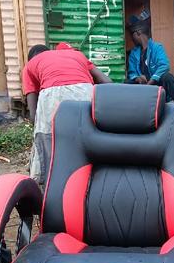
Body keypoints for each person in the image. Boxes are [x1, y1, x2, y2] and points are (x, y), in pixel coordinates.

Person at [22, 42, 110, 184]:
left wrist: (39, 125)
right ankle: (93, 177)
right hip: (84, 91)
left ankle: (50, 184)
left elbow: (33, 115)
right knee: (87, 136)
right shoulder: (76, 55)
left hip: (52, 94)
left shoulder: (30, 66)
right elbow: (106, 81)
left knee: (47, 140)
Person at [127, 24, 174, 103]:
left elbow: (164, 66)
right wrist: (138, 78)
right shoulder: (134, 53)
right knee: (127, 83)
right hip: (142, 85)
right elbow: (131, 72)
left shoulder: (156, 47)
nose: (132, 39)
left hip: (155, 83)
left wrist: (151, 81)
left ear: (138, 33)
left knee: (168, 77)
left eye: (132, 35)